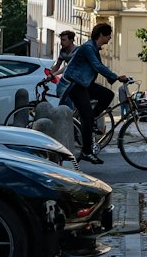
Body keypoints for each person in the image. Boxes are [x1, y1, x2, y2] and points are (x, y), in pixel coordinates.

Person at [56, 22, 131, 164]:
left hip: (85, 83)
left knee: (108, 95)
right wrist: (115, 76)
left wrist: (112, 77)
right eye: (108, 35)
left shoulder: (94, 48)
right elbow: (97, 66)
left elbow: (98, 67)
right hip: (75, 84)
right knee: (87, 116)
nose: (109, 39)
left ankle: (92, 119)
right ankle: (86, 151)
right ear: (101, 35)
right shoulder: (88, 48)